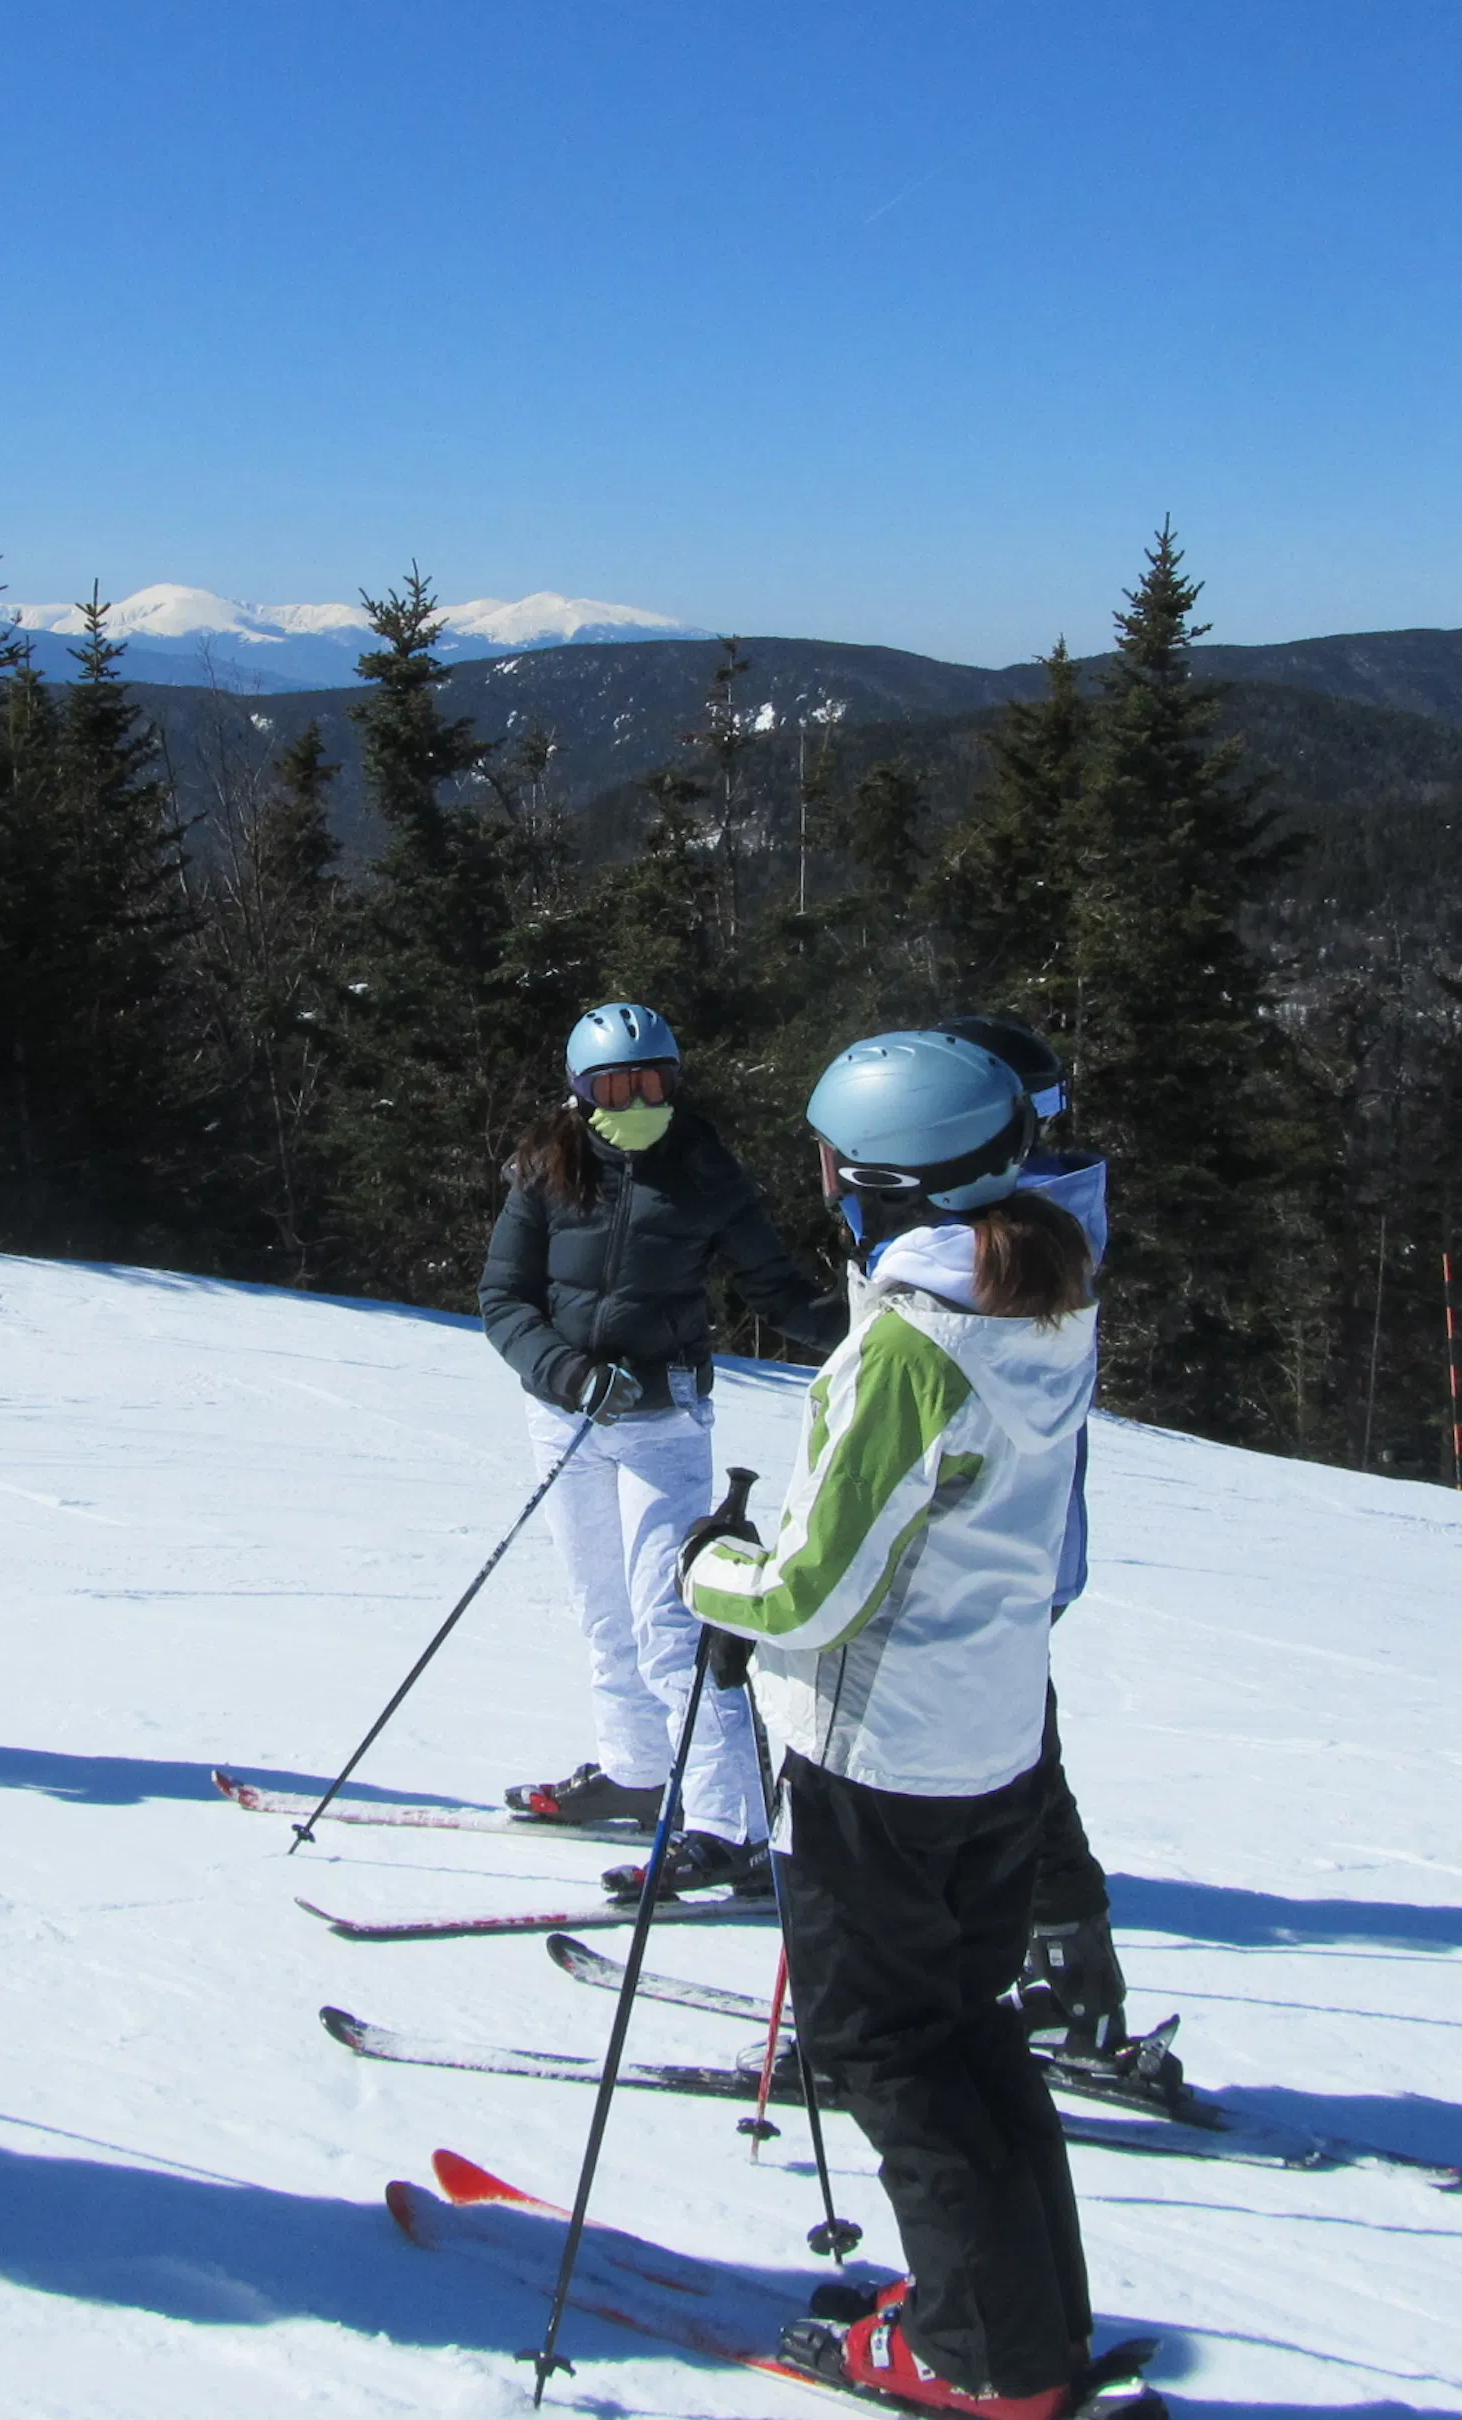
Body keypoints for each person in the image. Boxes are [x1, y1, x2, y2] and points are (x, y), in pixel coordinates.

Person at [685, 1030, 1102, 2418]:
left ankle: (984, 2359)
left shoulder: (913, 1348)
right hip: (994, 1741)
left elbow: (809, 1587)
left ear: (875, 1185)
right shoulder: (1042, 1302)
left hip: (879, 1758)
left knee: (883, 2043)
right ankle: (1026, 2325)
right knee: (964, 2024)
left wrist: (709, 1573)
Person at [481, 999, 844, 1894]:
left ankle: (735, 1829)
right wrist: (567, 1375)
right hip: (565, 1416)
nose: (639, 1098)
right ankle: (639, 1774)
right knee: (603, 1609)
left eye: (655, 1082)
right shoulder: (547, 1166)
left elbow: (774, 1287)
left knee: (672, 1623)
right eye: (616, 1085)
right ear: (580, 1093)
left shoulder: (702, 1168)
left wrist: (861, 1325)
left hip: (662, 1421)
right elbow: (504, 1299)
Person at [930, 1017, 1127, 2066]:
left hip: (983, 1547)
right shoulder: (1041, 1212)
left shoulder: (1019, 1230)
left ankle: (1030, 1977)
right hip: (1020, 1547)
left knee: (989, 1766)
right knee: (1009, 1759)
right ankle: (1059, 1972)